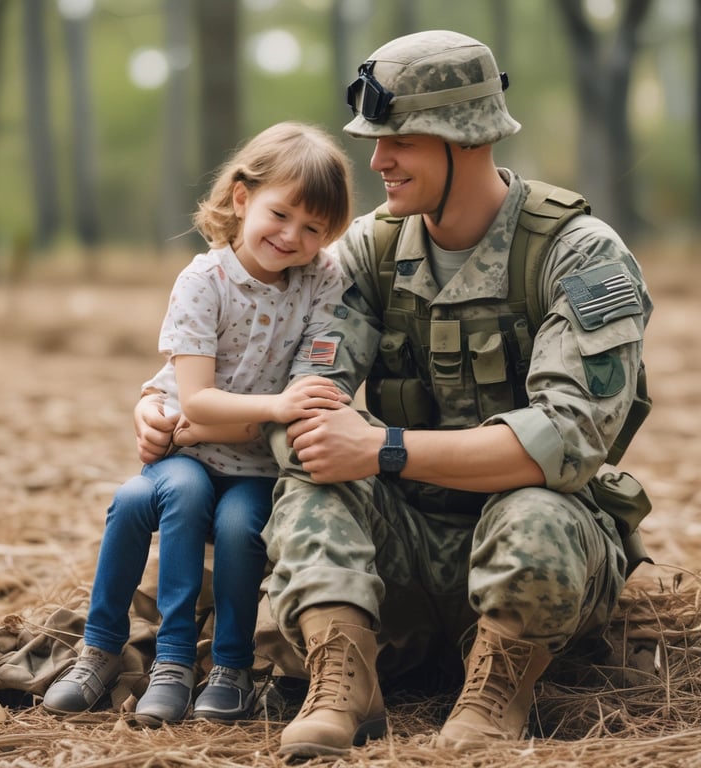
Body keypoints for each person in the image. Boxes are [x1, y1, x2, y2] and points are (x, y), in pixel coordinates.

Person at [134, 30, 653, 756]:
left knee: (538, 512)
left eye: (400, 141)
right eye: (375, 140)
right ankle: (345, 683)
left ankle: (496, 693)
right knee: (314, 474)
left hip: (541, 560)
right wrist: (177, 408)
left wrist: (382, 447)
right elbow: (299, 396)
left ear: (465, 141)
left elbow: (566, 444)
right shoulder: (369, 253)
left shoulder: (581, 255)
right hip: (405, 548)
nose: (376, 161)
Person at [43, 121, 356, 727]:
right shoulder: (203, 281)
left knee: (242, 526)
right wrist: (272, 408)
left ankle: (232, 666)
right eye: (281, 213)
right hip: (184, 457)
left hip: (257, 467)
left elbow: (307, 388)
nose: (292, 237)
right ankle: (144, 656)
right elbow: (198, 402)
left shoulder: (323, 282)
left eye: (314, 228)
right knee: (167, 494)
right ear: (242, 197)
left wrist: (248, 415)